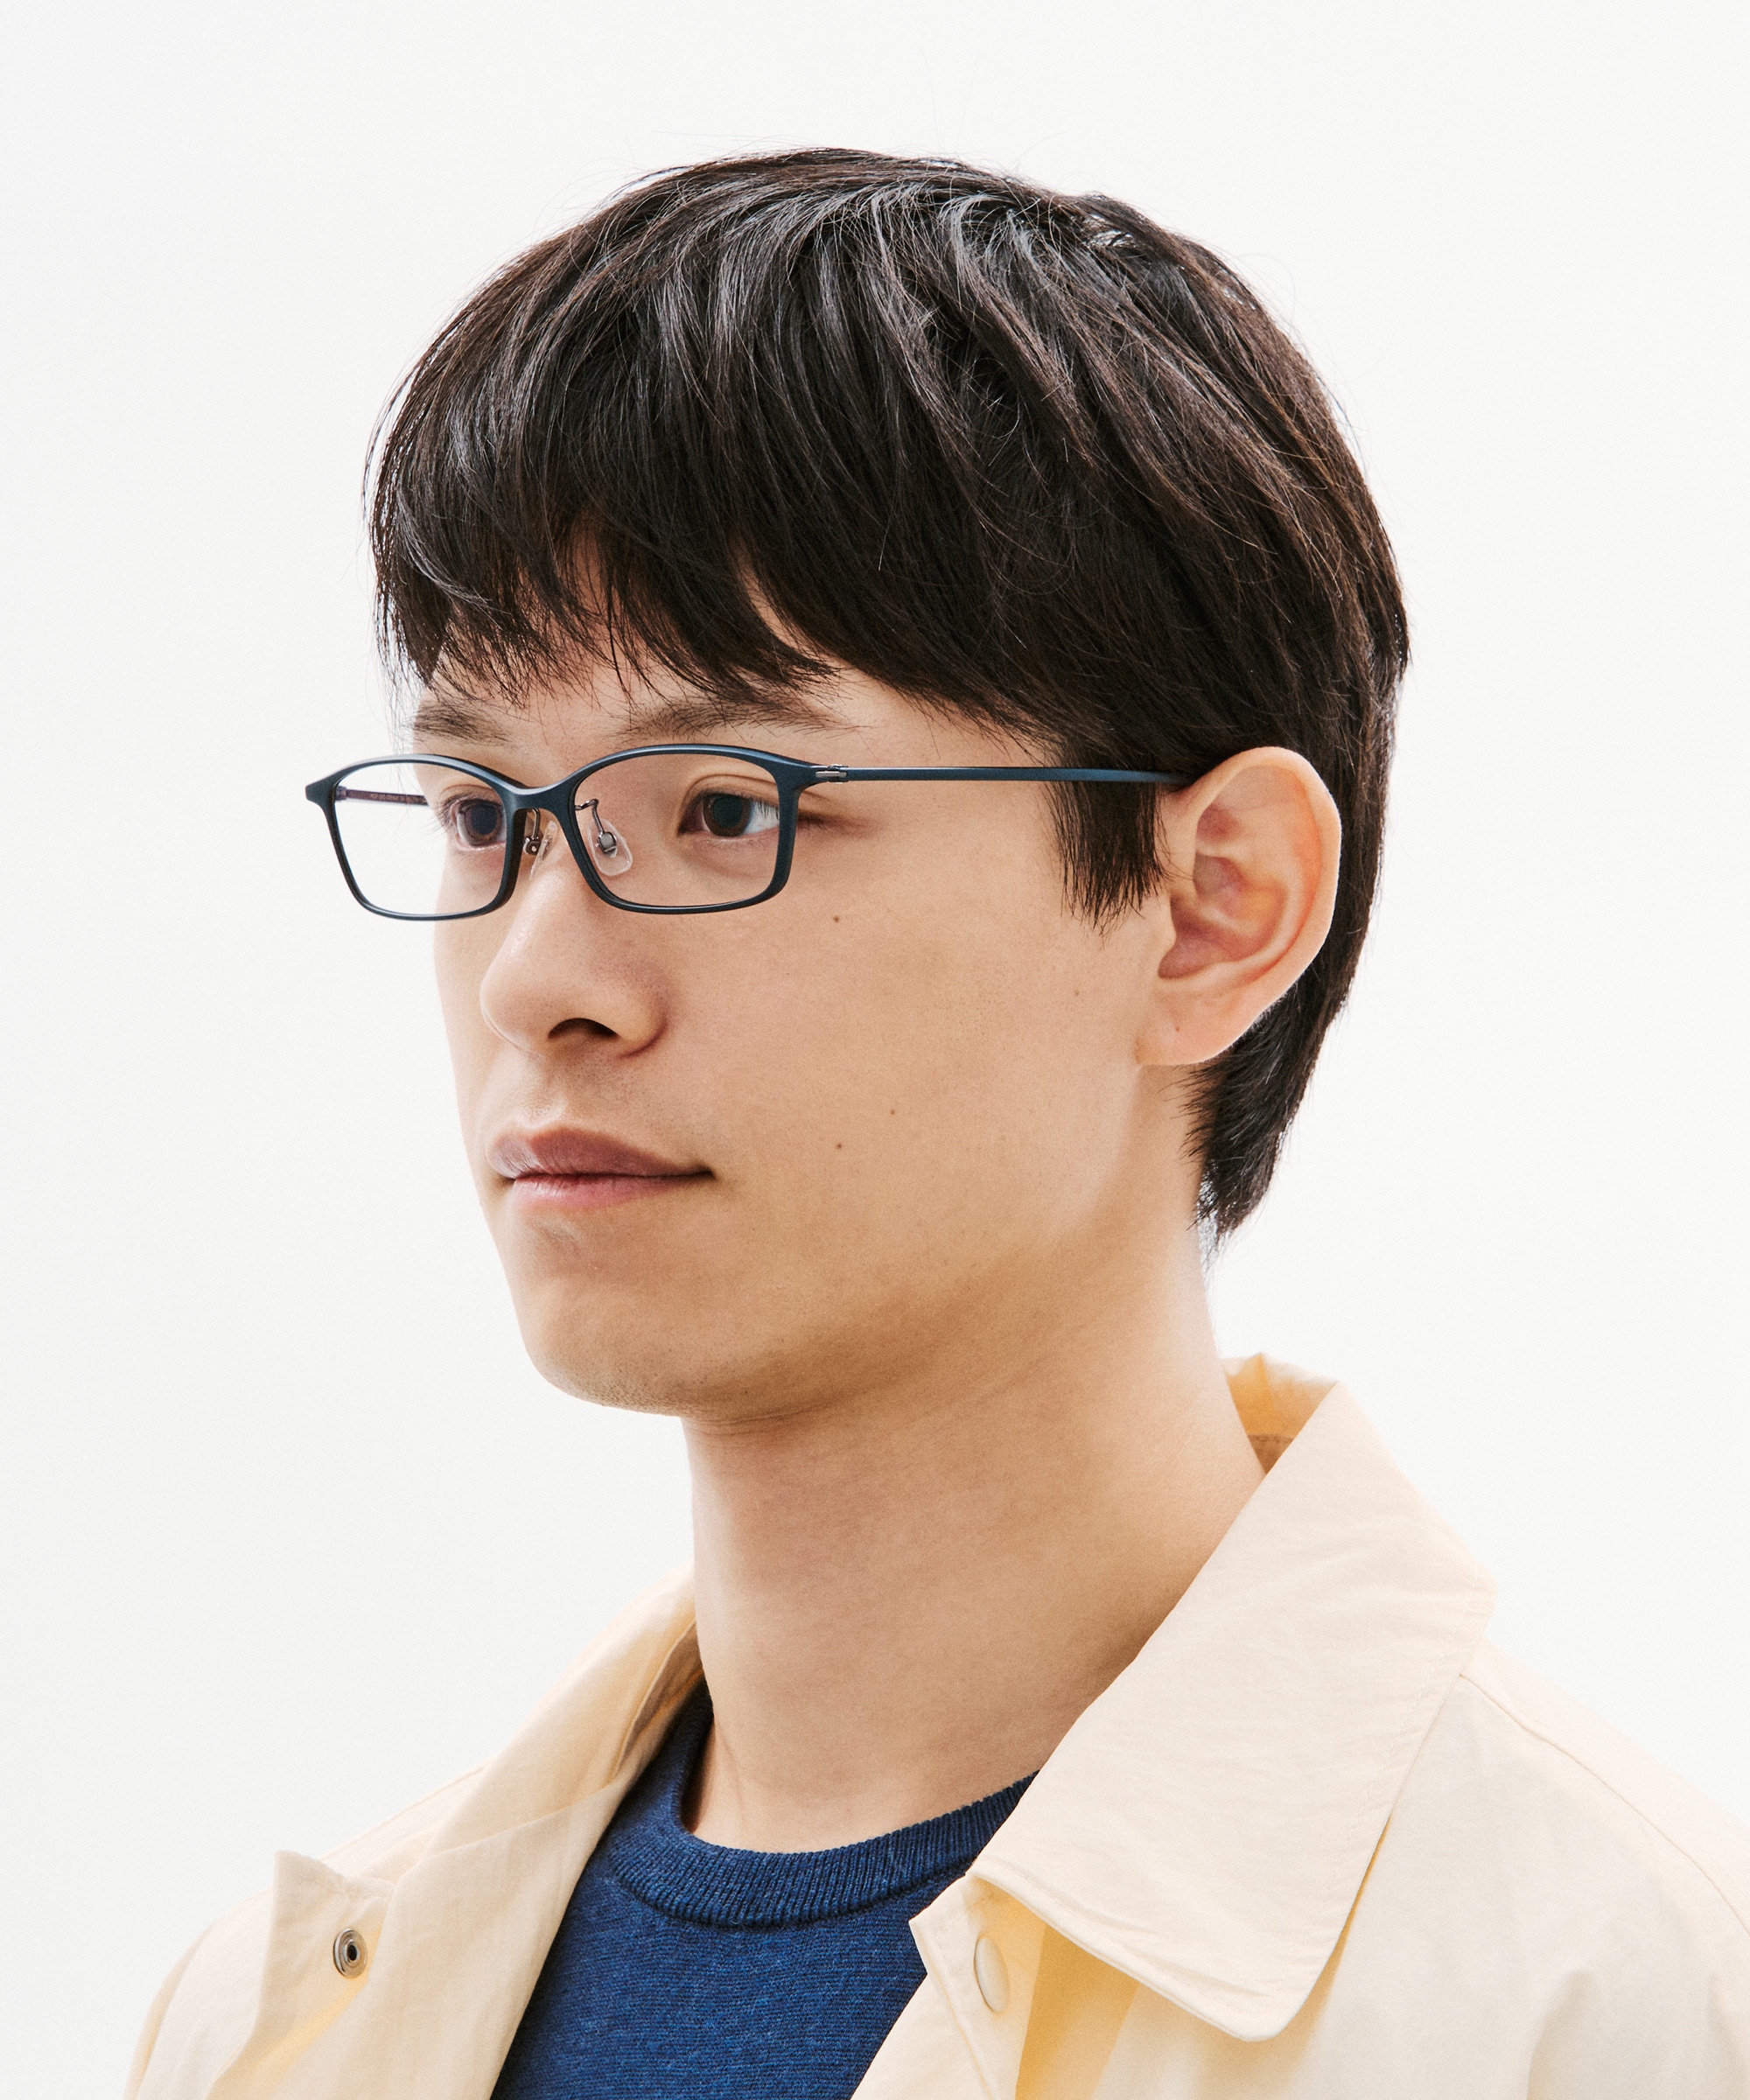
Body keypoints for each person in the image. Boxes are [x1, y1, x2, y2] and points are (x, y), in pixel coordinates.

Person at [127, 149, 1749, 2100]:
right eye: (482, 815)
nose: (533, 978)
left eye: (723, 809)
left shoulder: (1607, 2013)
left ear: (1213, 905)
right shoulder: (269, 2029)